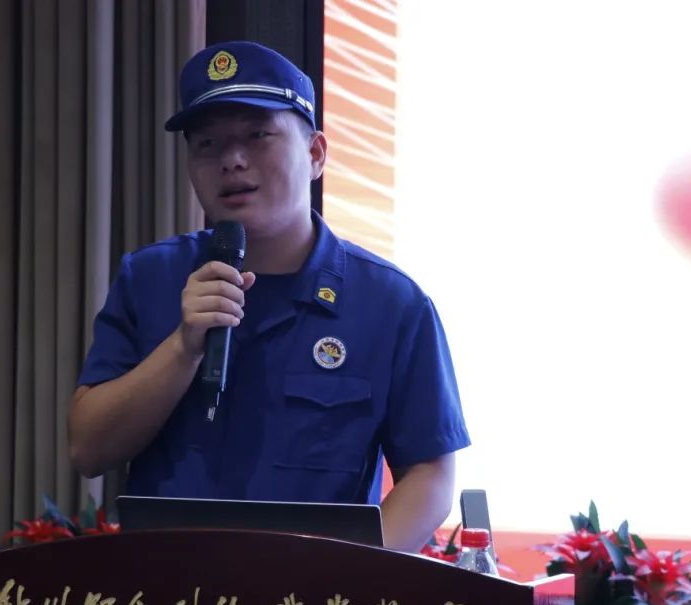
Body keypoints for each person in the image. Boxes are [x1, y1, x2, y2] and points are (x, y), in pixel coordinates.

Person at [67, 40, 470, 552]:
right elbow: (88, 449)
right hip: (169, 587)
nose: (232, 161)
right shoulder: (149, 278)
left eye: (258, 136)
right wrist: (183, 347)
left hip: (318, 594)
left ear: (315, 154)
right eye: (207, 144)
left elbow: (430, 474)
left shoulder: (392, 303)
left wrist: (353, 576)